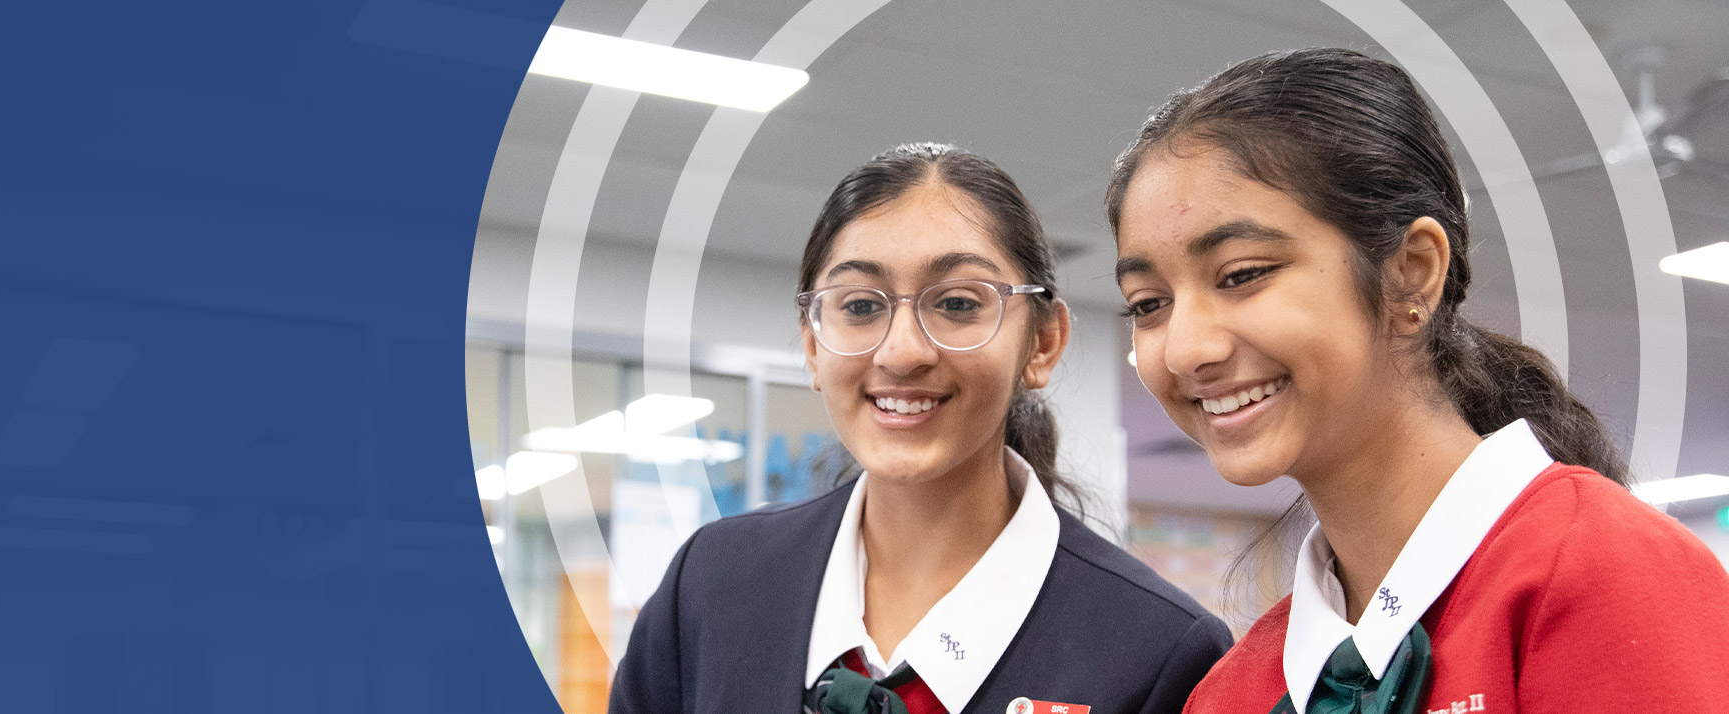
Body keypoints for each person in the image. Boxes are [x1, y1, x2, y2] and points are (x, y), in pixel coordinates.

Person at [1105, 48, 1729, 714]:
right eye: (1149, 304)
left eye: (1242, 274)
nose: (1184, 350)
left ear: (1413, 271)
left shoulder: (1602, 574)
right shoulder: (1235, 691)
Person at [610, 143, 1231, 714]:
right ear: (811, 345)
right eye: (859, 306)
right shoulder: (713, 586)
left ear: (1042, 343)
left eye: (958, 303)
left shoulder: (1160, 651)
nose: (902, 352)